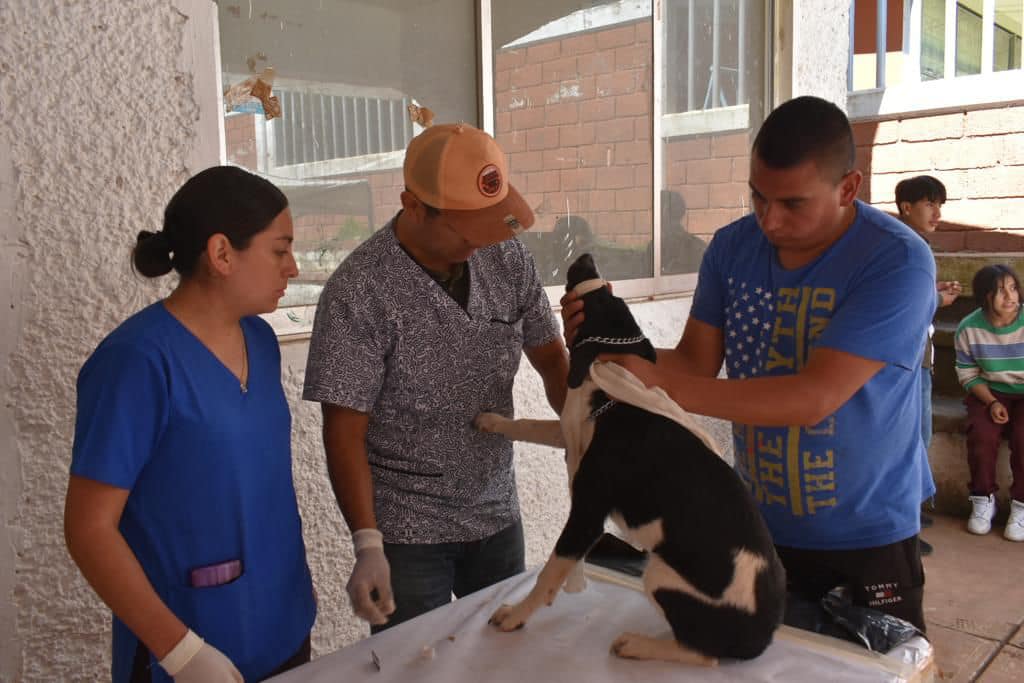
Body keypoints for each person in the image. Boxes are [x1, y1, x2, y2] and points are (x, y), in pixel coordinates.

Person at [561, 96, 936, 632]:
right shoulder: (733, 248)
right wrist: (611, 347)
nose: (770, 219)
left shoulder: (896, 261)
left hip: (868, 536)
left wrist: (653, 382)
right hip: (756, 524)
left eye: (792, 203)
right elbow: (694, 364)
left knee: (872, 669)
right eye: (758, 197)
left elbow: (812, 399)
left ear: (849, 188)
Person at [303, 122, 569, 631]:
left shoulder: (505, 253)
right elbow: (343, 432)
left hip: (496, 513)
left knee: (500, 659)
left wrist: (594, 427)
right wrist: (367, 544)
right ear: (413, 205)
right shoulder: (360, 290)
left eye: (489, 225)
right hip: (407, 532)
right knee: (415, 666)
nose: (481, 242)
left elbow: (554, 362)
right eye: (465, 228)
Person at [65, 166, 315, 682]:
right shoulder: (136, 362)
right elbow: (88, 529)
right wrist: (178, 651)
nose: (293, 267)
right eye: (279, 249)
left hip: (283, 625)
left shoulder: (262, 344)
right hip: (187, 646)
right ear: (222, 253)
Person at [895, 174, 963, 555]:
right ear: (907, 206)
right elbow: (904, 306)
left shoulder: (913, 245)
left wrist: (934, 296)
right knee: (910, 443)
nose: (937, 213)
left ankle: (912, 514)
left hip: (918, 360)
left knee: (919, 439)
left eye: (939, 205)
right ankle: (903, 528)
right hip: (906, 363)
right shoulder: (905, 246)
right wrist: (937, 302)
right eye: (929, 204)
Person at [953, 264, 1024, 541]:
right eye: (999, 291)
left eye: (1013, 288)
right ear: (984, 297)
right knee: (982, 436)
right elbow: (968, 374)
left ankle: (1021, 505)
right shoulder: (968, 328)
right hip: (988, 391)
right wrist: (992, 403)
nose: (1009, 296)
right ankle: (982, 500)